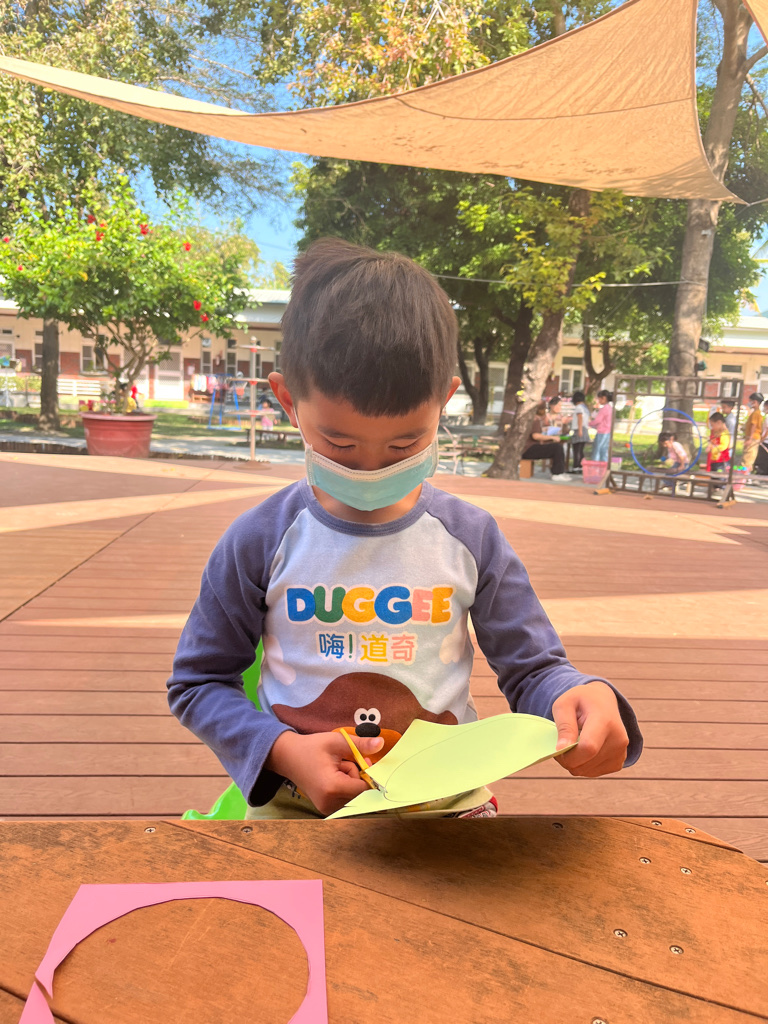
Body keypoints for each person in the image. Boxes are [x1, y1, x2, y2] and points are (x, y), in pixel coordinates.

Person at [167, 238, 641, 820]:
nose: (371, 468)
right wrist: (283, 752)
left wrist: (576, 696)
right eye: (339, 444)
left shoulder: (470, 538)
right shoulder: (260, 540)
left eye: (405, 444)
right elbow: (198, 681)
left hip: (446, 804)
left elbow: (534, 668)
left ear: (444, 401)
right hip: (297, 804)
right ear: (288, 400)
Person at [521, 402, 572, 480]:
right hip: (528, 449)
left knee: (555, 447)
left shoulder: (532, 418)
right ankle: (557, 473)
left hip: (527, 448)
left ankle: (559, 472)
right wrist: (552, 437)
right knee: (557, 448)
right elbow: (535, 436)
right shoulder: (535, 419)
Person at [741, 393, 764, 476]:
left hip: (753, 438)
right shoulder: (756, 413)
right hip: (754, 438)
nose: (749, 402)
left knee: (747, 459)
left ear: (755, 402)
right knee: (749, 458)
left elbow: (754, 425)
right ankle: (746, 475)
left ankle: (744, 476)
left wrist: (750, 439)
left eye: (751, 401)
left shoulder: (756, 413)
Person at [569, 390, 591, 471]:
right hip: (584, 429)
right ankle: (581, 467)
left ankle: (576, 467)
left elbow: (580, 418)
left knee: (577, 449)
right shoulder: (585, 408)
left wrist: (580, 430)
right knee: (580, 450)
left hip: (579, 429)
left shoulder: (579, 407)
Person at [589, 390, 613, 464]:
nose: (598, 400)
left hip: (601, 432)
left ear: (603, 398)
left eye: (599, 398)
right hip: (607, 432)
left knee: (597, 450)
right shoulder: (610, 408)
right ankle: (604, 466)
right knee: (604, 451)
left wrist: (589, 423)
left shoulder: (604, 409)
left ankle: (595, 466)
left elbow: (597, 420)